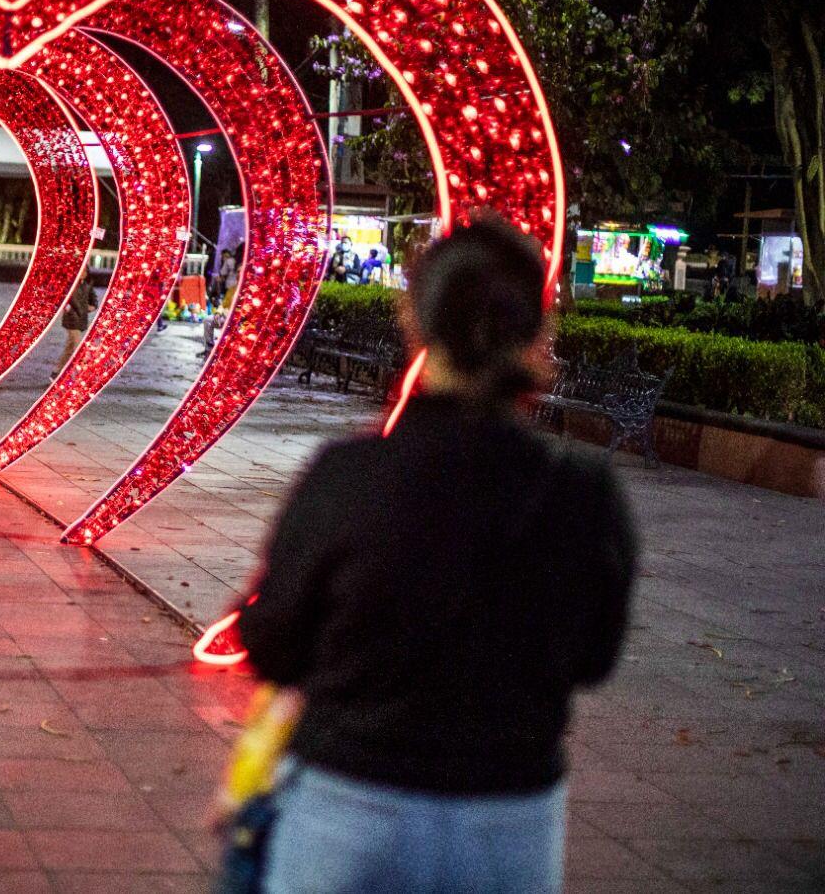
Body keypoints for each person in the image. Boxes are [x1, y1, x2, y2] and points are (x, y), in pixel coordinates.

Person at [235, 216, 637, 894]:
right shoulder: (584, 495)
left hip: (349, 803)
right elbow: (594, 658)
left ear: (411, 319)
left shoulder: (348, 476)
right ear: (537, 334)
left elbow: (272, 642)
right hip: (509, 817)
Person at [55, 267, 96, 375]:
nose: (83, 273)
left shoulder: (88, 284)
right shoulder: (70, 284)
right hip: (71, 319)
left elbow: (93, 299)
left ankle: (57, 372)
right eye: (81, 271)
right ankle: (83, 374)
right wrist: (71, 309)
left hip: (81, 319)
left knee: (69, 348)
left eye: (85, 271)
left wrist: (91, 307)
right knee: (78, 348)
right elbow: (64, 299)